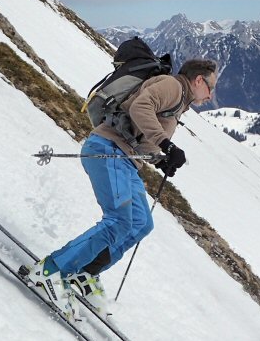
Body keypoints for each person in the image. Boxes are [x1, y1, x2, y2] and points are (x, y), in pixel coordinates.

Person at [21, 59, 219, 317]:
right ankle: (50, 271)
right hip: (108, 150)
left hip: (127, 160)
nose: (211, 95)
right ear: (198, 80)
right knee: (118, 221)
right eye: (210, 86)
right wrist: (167, 146)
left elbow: (140, 128)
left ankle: (84, 272)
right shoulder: (173, 86)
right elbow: (141, 107)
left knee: (140, 223)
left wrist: (161, 159)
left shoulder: (180, 100)